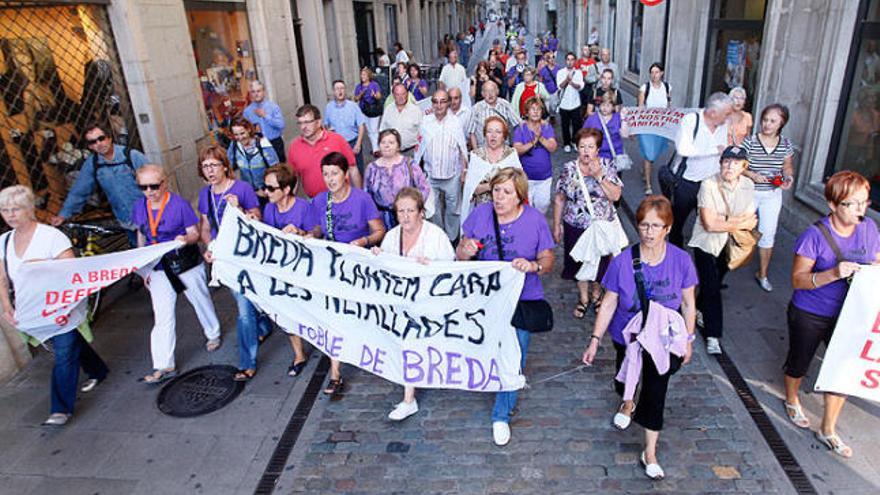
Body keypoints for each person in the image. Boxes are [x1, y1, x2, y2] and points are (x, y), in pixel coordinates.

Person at [582, 195, 697, 481]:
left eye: (656, 226)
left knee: (656, 391)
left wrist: (689, 339)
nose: (649, 232)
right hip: (628, 334)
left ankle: (650, 451)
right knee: (625, 376)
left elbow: (688, 303)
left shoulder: (681, 261)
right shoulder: (623, 261)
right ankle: (627, 400)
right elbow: (609, 302)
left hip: (664, 339)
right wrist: (595, 339)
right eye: (644, 225)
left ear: (667, 228)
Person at [783, 171, 879, 458]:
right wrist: (834, 273)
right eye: (852, 203)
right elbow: (798, 280)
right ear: (834, 205)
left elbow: (876, 259)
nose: (860, 209)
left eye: (864, 202)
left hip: (851, 314)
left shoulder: (869, 229)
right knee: (799, 361)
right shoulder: (815, 235)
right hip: (811, 311)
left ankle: (828, 428)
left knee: (843, 370)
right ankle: (791, 398)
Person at [456, 168, 555, 446]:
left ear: (520, 197)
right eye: (496, 190)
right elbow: (460, 253)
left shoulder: (534, 221)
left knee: (515, 356)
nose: (499, 197)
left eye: (506, 192)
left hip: (522, 300)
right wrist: (466, 250)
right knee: (488, 349)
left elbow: (548, 260)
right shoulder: (480, 215)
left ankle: (501, 414)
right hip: (486, 300)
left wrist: (533, 265)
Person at [1, 185, 109, 426]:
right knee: (70, 344)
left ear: (29, 210)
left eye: (15, 209)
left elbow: (72, 275)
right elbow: (3, 278)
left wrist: (66, 306)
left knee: (64, 352)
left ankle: (60, 409)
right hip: (35, 308)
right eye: (4, 210)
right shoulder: (4, 241)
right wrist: (7, 306)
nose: (9, 215)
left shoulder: (51, 237)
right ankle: (98, 370)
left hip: (62, 305)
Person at [132, 164, 221, 384]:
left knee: (200, 300)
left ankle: (213, 333)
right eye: (144, 187)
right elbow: (141, 236)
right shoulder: (139, 207)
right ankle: (164, 364)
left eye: (154, 186)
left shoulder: (179, 205)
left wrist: (184, 240)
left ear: (165, 183)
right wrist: (143, 270)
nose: (150, 191)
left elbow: (194, 233)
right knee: (162, 315)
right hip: (158, 267)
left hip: (185, 263)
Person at [306, 152, 386, 395]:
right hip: (332, 267)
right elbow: (318, 227)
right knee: (334, 317)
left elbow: (379, 231)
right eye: (326, 174)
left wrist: (363, 241)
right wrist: (311, 236)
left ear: (345, 175)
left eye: (334, 173)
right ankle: (335, 373)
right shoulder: (320, 201)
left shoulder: (362, 200)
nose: (330, 179)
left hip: (359, 267)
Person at [372, 187, 455, 420]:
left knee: (414, 346)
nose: (406, 216)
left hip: (430, 303)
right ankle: (409, 397)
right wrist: (378, 257)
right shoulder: (392, 236)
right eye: (401, 211)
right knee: (408, 346)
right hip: (402, 305)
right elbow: (385, 269)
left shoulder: (435, 235)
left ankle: (409, 399)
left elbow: (452, 270)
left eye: (410, 210)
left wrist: (431, 266)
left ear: (421, 212)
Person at [197, 146, 269, 381]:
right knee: (245, 303)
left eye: (214, 165)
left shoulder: (242, 188)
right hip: (227, 259)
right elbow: (206, 228)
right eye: (206, 166)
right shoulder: (205, 195)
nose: (210, 171)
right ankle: (263, 326)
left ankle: (247, 362)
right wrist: (209, 248)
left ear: (225, 166)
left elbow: (257, 218)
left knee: (245, 310)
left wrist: (238, 208)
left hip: (246, 255)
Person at [687, 145, 757, 355]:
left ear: (743, 166)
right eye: (726, 161)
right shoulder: (709, 184)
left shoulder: (748, 185)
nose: (729, 166)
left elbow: (751, 220)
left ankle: (697, 307)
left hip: (731, 244)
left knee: (714, 282)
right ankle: (713, 334)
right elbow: (708, 224)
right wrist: (736, 221)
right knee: (713, 288)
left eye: (735, 163)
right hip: (706, 243)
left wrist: (724, 221)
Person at [553, 128, 624, 319]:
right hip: (575, 225)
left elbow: (616, 195)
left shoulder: (607, 166)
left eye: (590, 147)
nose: (586, 151)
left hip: (601, 226)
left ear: (597, 149)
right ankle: (584, 298)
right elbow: (560, 198)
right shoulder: (569, 168)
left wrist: (599, 176)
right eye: (582, 146)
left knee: (601, 263)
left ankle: (596, 293)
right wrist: (556, 225)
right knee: (579, 263)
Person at [50, 122, 148, 245]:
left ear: (109, 138)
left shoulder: (131, 156)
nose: (98, 144)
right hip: (126, 220)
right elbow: (79, 191)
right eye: (93, 142)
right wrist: (63, 215)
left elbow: (155, 182)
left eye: (101, 138)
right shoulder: (93, 164)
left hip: (149, 216)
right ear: (90, 147)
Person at [259, 165, 311, 377]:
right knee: (286, 311)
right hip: (281, 270)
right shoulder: (269, 209)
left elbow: (315, 235)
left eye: (271, 188)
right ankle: (299, 354)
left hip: (302, 269)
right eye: (265, 188)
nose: (266, 192)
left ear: (287, 189)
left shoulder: (303, 207)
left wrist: (298, 232)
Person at [667, 92, 734, 247]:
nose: (729, 118)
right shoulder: (691, 121)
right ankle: (676, 253)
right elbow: (683, 148)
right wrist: (714, 149)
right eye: (726, 114)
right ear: (713, 113)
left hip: (711, 184)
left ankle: (703, 255)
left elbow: (722, 152)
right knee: (677, 222)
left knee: (707, 225)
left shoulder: (723, 125)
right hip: (687, 184)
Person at [742, 104, 795, 292]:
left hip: (772, 194)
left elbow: (787, 166)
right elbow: (739, 165)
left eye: (773, 121)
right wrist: (752, 175)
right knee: (739, 227)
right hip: (749, 192)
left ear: (782, 123)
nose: (767, 124)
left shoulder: (786, 144)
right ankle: (728, 261)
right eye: (765, 120)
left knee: (768, 233)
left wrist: (788, 177)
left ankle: (763, 274)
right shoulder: (750, 142)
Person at [416, 90, 468, 239]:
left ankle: (452, 238)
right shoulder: (425, 122)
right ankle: (439, 237)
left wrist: (464, 170)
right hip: (431, 175)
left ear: (448, 103)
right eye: (436, 101)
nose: (439, 105)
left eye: (443, 101)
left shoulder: (455, 122)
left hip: (452, 175)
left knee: (453, 209)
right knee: (433, 209)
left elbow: (462, 148)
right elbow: (419, 147)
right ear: (432, 103)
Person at [288, 104, 361, 198]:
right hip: (313, 202)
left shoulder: (337, 140)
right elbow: (294, 178)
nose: (303, 127)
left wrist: (360, 196)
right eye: (300, 123)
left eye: (307, 122)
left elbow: (352, 168)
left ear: (318, 122)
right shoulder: (294, 147)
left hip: (340, 198)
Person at [365, 129, 431, 229]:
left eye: (391, 142)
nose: (387, 145)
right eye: (383, 142)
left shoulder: (409, 164)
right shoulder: (372, 168)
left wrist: (415, 208)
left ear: (398, 146)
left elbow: (424, 188)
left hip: (408, 217)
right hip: (382, 220)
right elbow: (367, 196)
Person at [461, 116, 522, 222]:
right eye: (489, 131)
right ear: (485, 135)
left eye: (498, 132)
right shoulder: (476, 156)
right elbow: (472, 189)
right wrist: (491, 186)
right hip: (482, 212)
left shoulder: (511, 155)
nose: (493, 136)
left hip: (507, 212)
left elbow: (519, 185)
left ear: (504, 136)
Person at [512, 97, 557, 213]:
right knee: (526, 209)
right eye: (532, 109)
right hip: (525, 178)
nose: (536, 112)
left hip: (544, 178)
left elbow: (553, 147)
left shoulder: (546, 127)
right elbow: (517, 150)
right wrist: (533, 142)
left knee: (543, 205)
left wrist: (540, 138)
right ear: (526, 112)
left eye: (538, 109)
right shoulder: (520, 129)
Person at [637, 63, 672, 195]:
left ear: (662, 73)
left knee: (653, 154)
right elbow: (640, 108)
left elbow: (668, 106)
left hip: (660, 126)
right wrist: (635, 128)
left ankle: (644, 169)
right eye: (652, 72)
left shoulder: (667, 87)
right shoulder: (645, 88)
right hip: (647, 126)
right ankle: (648, 184)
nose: (654, 75)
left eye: (657, 72)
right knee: (649, 154)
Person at [227, 117, 280, 200]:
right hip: (247, 193)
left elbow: (276, 169)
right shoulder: (234, 146)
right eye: (236, 135)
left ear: (249, 129)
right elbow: (228, 166)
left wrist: (267, 189)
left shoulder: (263, 144)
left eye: (242, 133)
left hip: (266, 192)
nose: (240, 138)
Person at [324, 80, 368, 174]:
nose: (340, 91)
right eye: (337, 89)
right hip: (337, 144)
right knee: (341, 171)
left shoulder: (353, 106)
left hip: (352, 143)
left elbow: (361, 125)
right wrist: (328, 129)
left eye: (342, 88)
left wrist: (358, 144)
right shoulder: (329, 107)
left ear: (345, 90)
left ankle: (359, 189)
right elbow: (326, 124)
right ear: (333, 91)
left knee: (357, 171)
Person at [466, 81, 521, 150]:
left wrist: (514, 145)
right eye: (486, 91)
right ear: (482, 94)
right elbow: (471, 132)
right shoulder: (476, 108)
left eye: (492, 90)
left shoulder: (505, 105)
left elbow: (518, 124)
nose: (490, 94)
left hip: (503, 149)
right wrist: (477, 152)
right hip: (483, 150)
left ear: (497, 91)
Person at [242, 80, 287, 162]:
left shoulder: (273, 107)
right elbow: (245, 129)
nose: (256, 94)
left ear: (264, 92)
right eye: (253, 92)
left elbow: (281, 125)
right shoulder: (247, 111)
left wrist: (265, 116)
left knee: (281, 169)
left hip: (275, 143)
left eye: (258, 91)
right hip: (258, 145)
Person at [583, 92, 629, 161]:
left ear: (613, 107)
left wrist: (624, 118)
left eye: (608, 106)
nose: (604, 108)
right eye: (602, 105)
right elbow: (584, 135)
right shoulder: (592, 118)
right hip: (597, 155)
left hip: (615, 154)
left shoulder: (618, 117)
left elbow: (625, 135)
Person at [380, 84, 424, 156]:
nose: (400, 97)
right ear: (393, 96)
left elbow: (422, 132)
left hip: (411, 152)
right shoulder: (388, 109)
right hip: (392, 152)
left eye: (403, 94)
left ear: (407, 94)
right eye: (397, 94)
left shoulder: (416, 110)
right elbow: (383, 130)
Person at [557, 52, 585, 153]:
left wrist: (572, 82)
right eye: (568, 59)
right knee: (565, 125)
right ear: (565, 61)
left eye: (572, 59)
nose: (570, 62)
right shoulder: (560, 72)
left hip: (575, 103)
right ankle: (566, 143)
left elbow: (580, 86)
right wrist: (566, 80)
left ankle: (575, 141)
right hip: (564, 104)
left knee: (577, 125)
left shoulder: (578, 73)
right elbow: (560, 86)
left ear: (575, 61)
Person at [354, 67, 385, 156]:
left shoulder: (374, 85)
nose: (362, 76)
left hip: (374, 109)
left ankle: (376, 149)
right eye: (361, 75)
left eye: (364, 74)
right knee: (370, 131)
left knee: (374, 130)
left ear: (368, 76)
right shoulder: (358, 87)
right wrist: (361, 94)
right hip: (364, 110)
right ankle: (376, 148)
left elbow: (379, 96)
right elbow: (355, 98)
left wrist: (374, 95)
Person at [538, 50, 560, 115]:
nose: (552, 59)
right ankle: (549, 118)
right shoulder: (543, 70)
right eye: (549, 58)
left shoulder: (558, 68)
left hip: (555, 91)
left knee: (554, 106)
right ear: (547, 60)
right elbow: (540, 81)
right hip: (546, 90)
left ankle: (552, 115)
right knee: (547, 107)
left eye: (553, 57)